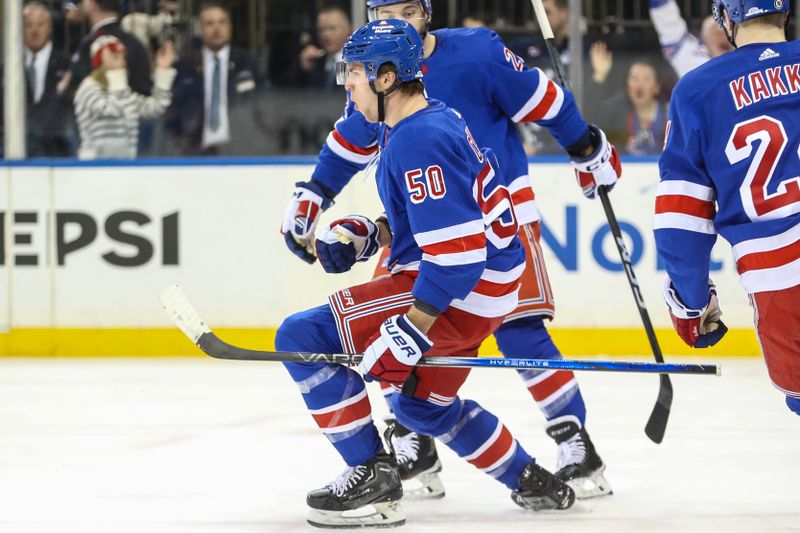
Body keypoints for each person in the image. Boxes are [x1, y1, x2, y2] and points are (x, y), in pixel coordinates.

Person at [281, 0, 622, 502]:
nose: (347, 86)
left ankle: (571, 436)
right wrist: (359, 224)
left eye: (406, 9)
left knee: (511, 332)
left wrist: (586, 145)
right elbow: (370, 156)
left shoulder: (453, 84)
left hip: (467, 259)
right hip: (452, 244)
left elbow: (545, 104)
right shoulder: (414, 110)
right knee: (419, 398)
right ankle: (492, 466)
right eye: (382, 10)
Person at [653, 0, 800, 416]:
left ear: (726, 16)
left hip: (782, 280)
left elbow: (680, 219)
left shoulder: (698, 89)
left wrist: (692, 302)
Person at [165, 1, 261, 155]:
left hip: (241, 150)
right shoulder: (185, 66)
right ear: (200, 29)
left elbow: (262, 105)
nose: (217, 28)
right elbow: (173, 111)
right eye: (209, 23)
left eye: (222, 22)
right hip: (193, 150)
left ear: (230, 26)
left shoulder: (247, 63)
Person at [74, 35, 175, 159]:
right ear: (100, 60)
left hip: (125, 167)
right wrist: (117, 76)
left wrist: (163, 71)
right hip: (94, 167)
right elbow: (112, 110)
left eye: (122, 57)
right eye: (115, 56)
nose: (122, 62)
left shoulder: (123, 91)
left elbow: (156, 108)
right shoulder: (87, 88)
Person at [0, 1, 73, 157]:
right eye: (29, 25)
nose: (35, 30)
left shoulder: (66, 64)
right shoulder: (7, 67)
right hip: (16, 152)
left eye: (40, 25)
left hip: (58, 153)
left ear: (50, 28)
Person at [69, 0, 153, 97]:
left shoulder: (91, 43)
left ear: (92, 4)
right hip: (135, 108)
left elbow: (73, 86)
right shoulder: (134, 42)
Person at [648, 0, 734, 78]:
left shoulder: (743, 53)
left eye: (725, 31)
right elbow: (665, 17)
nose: (723, 36)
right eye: (717, 34)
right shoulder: (685, 50)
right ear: (702, 36)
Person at [599, 59, 668, 155]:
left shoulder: (669, 115)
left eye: (646, 79)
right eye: (634, 78)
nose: (639, 85)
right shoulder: (615, 116)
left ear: (657, 87)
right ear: (627, 86)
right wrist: (599, 76)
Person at [295, 6, 352, 89]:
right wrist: (302, 66)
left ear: (349, 29)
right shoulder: (315, 62)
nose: (326, 35)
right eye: (321, 30)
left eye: (332, 28)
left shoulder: (358, 62)